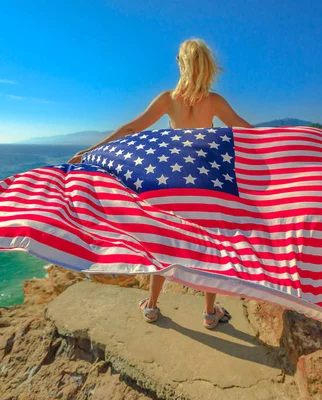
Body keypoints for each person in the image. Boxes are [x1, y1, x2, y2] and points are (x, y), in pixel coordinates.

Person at [68, 38, 252, 329]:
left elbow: (131, 128)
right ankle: (209, 313)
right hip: (206, 187)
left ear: (182, 64)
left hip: (173, 186)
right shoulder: (215, 101)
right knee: (209, 248)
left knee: (161, 246)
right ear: (206, 66)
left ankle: (152, 307)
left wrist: (92, 151)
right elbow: (247, 131)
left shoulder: (168, 99)